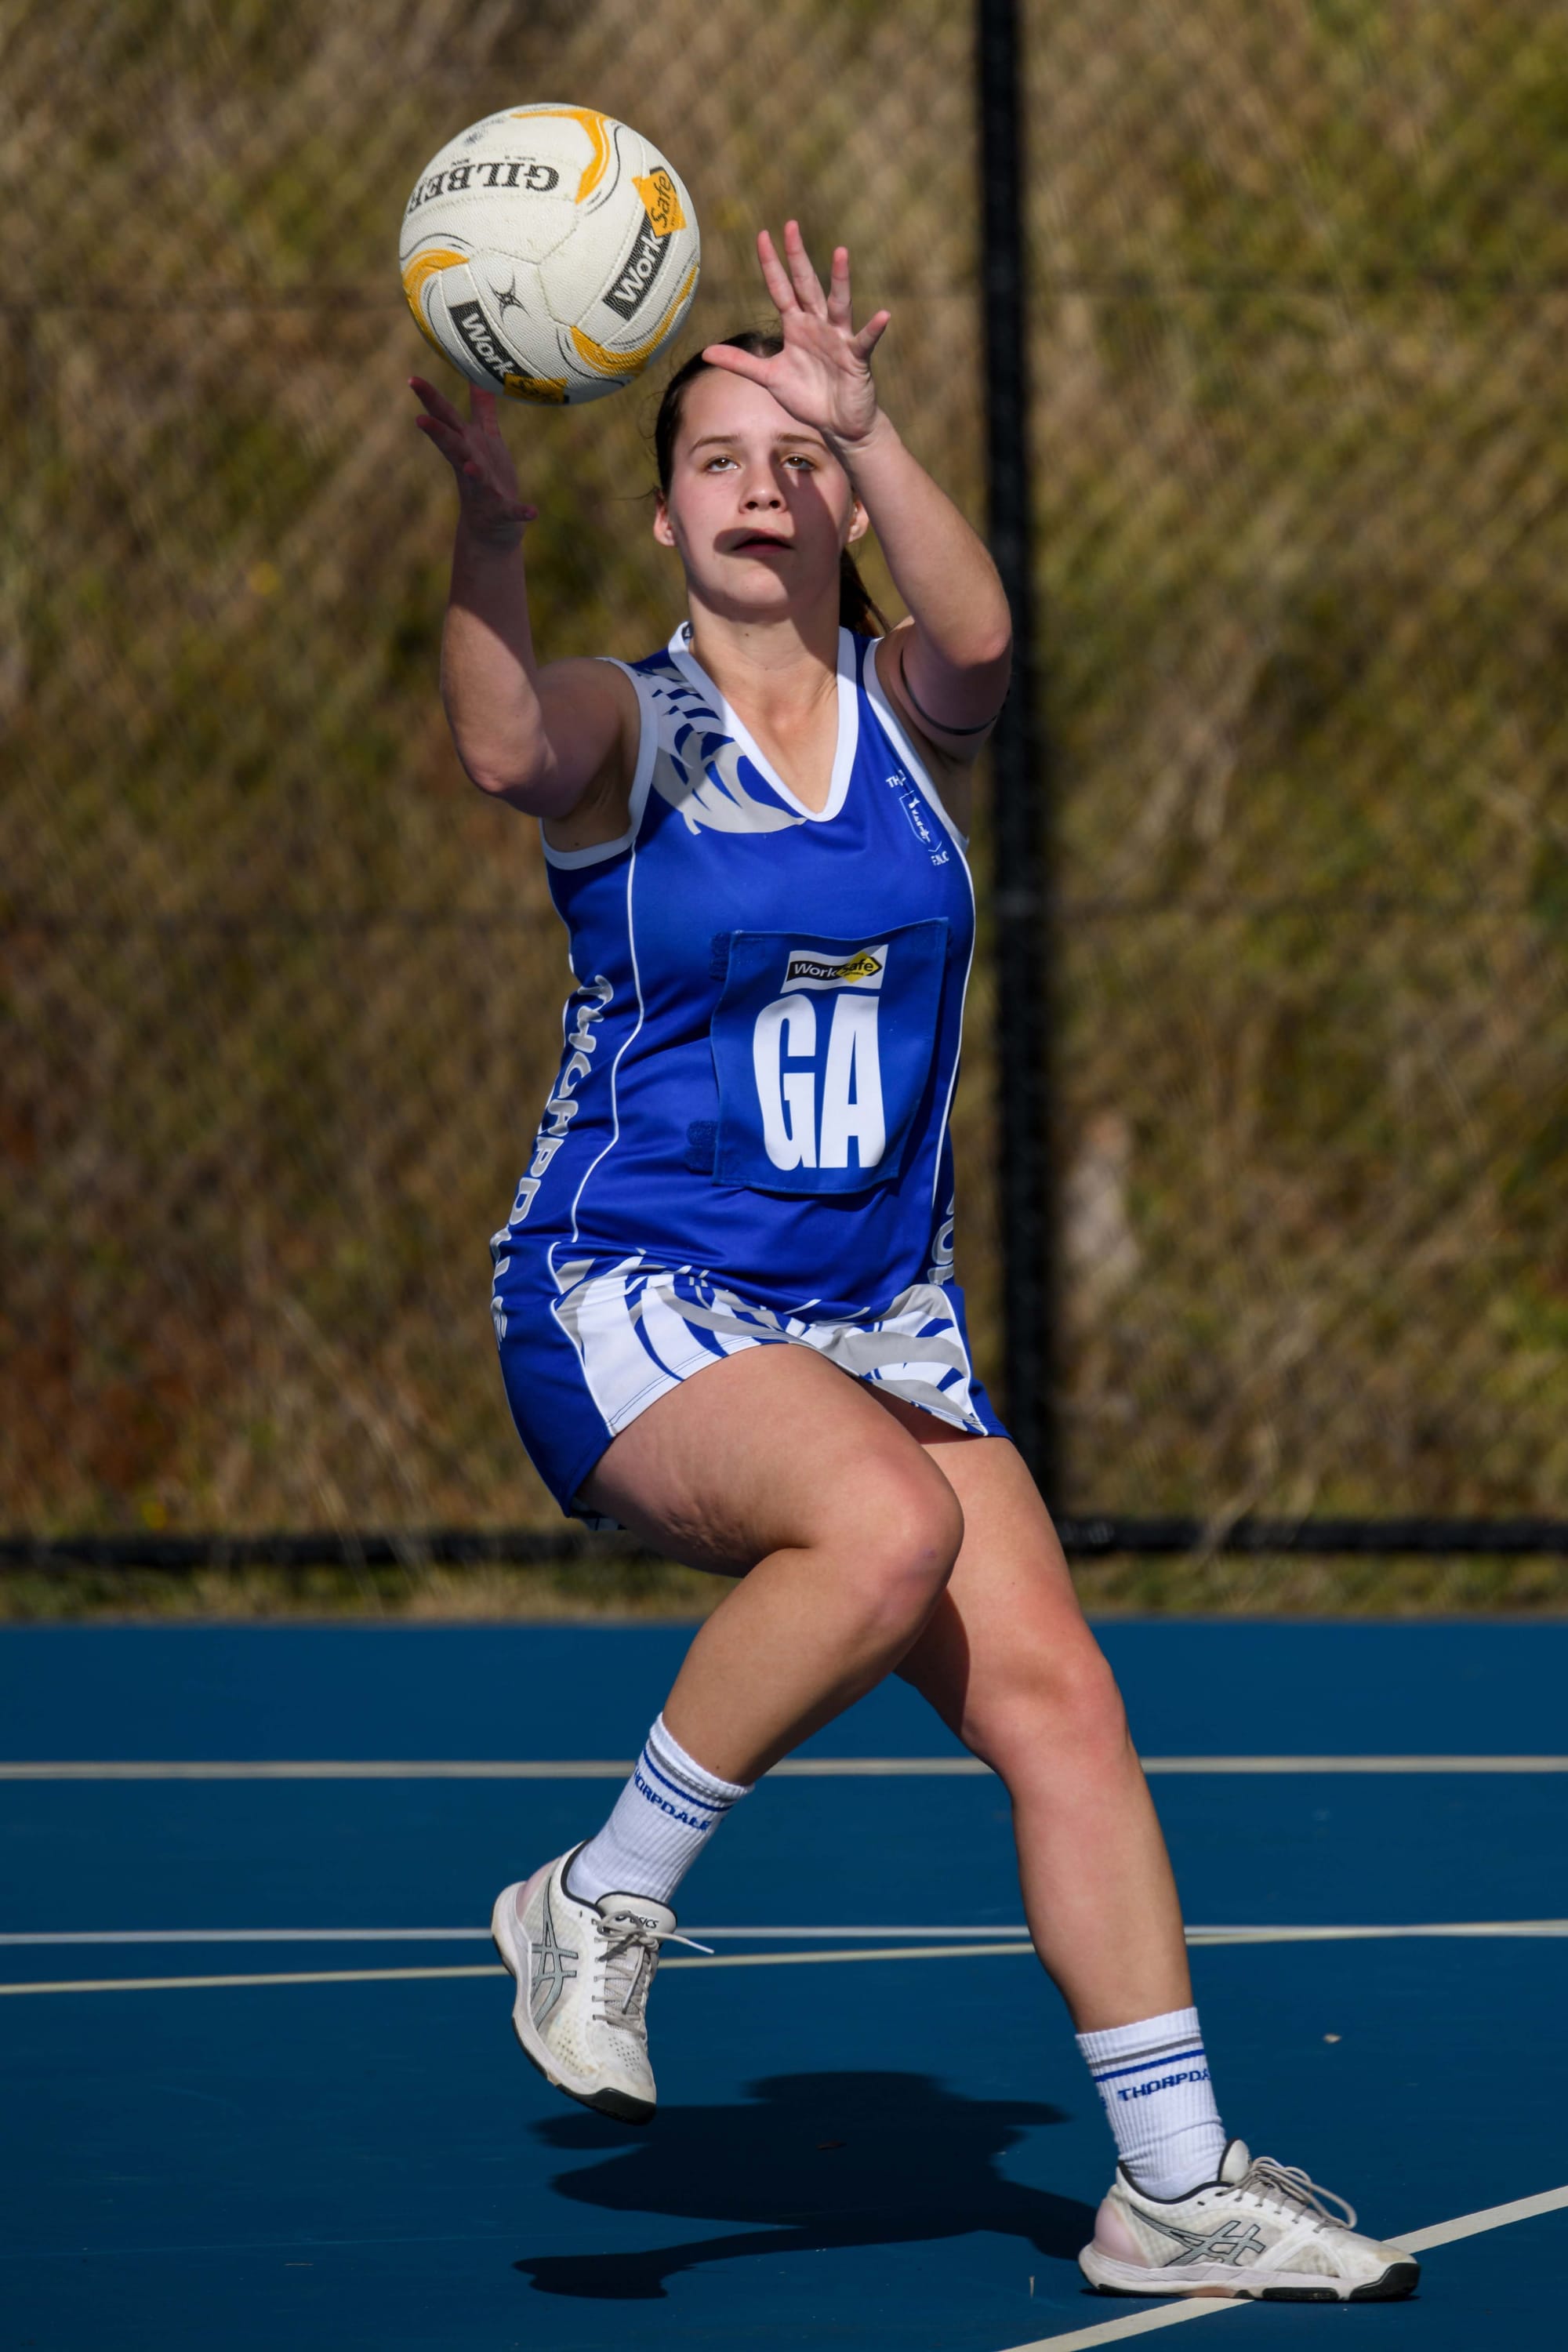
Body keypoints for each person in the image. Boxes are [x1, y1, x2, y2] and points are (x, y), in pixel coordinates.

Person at [408, 222, 1416, 2305]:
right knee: (870, 1532)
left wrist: (873, 418)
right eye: (719, 456)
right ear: (667, 507)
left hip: (872, 1312)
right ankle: (595, 1900)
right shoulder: (631, 723)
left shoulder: (900, 717)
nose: (762, 484)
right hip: (633, 1289)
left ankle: (1169, 2185)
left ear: (847, 499)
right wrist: (484, 544)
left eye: (800, 458)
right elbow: (504, 748)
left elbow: (983, 637)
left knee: (1060, 1698)